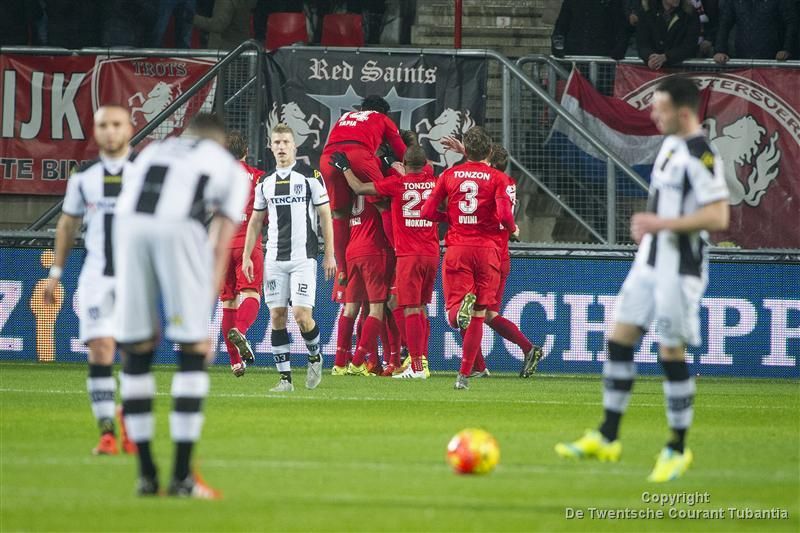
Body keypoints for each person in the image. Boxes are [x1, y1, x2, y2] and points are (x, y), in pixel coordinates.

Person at [555, 76, 730, 483]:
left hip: (679, 269)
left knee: (670, 353)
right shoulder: (669, 144)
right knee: (619, 338)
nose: (651, 114)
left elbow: (719, 216)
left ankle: (676, 448)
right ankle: (608, 435)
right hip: (648, 264)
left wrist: (660, 222)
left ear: (683, 113)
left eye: (659, 108)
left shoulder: (701, 155)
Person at [114, 113, 249, 498]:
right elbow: (220, 239)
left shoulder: (155, 148)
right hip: (178, 230)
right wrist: (202, 311)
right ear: (221, 143)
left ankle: (145, 476)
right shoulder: (228, 167)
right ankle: (181, 479)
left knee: (137, 352)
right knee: (192, 351)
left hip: (127, 229)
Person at [43, 105, 137, 456]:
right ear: (95, 132)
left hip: (135, 279)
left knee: (131, 355)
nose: (110, 131)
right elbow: (67, 225)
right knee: (101, 351)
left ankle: (129, 424)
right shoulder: (84, 178)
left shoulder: (145, 175)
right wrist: (55, 273)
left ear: (129, 128)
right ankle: (107, 431)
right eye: (103, 125)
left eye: (116, 124)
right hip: (96, 278)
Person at [420, 127, 516, 390]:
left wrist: (449, 218)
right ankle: (463, 375)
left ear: (467, 150)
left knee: (454, 314)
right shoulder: (499, 179)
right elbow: (505, 215)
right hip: (488, 251)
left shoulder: (449, 175)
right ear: (489, 151)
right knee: (479, 313)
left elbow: (427, 212)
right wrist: (513, 229)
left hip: (458, 247)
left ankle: (456, 314)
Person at [242, 124, 336, 392]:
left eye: (285, 142)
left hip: (303, 257)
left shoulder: (310, 176)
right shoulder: (265, 182)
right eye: (277, 143)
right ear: (271, 147)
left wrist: (329, 254)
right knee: (277, 316)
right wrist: (248, 256)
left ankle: (315, 356)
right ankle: (285, 380)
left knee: (302, 315)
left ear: (294, 146)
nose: (281, 147)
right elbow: (256, 220)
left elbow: (325, 215)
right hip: (274, 258)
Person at [331, 145, 438, 380]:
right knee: (418, 308)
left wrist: (346, 168)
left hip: (403, 254)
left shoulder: (396, 185)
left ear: (405, 165)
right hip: (431, 253)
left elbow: (359, 188)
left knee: (399, 306)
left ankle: (412, 366)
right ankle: (414, 362)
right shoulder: (434, 181)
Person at [319, 95, 406, 301]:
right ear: (383, 113)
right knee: (383, 202)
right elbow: (402, 152)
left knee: (339, 213)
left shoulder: (346, 117)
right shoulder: (383, 119)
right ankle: (399, 251)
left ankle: (342, 269)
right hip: (358, 154)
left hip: (329, 158)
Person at [220, 131, 265, 378]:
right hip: (247, 244)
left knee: (228, 301)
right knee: (251, 294)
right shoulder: (258, 178)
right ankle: (241, 331)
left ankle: (235, 362)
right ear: (246, 151)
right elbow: (265, 214)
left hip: (220, 246)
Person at [714, 0, 797, 62]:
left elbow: (791, 23)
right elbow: (724, 24)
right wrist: (720, 50)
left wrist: (787, 49)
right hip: (742, 59)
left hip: (773, 60)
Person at [551, 0, 629, 59]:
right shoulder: (571, 2)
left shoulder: (612, 2)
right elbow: (561, 27)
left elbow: (621, 28)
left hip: (603, 58)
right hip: (573, 56)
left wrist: (618, 52)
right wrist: (558, 50)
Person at [636, 0, 701, 70]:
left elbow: (689, 45)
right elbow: (642, 43)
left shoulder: (690, 13)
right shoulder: (647, 12)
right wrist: (651, 57)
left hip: (680, 69)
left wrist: (666, 57)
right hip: (652, 69)